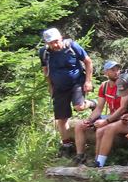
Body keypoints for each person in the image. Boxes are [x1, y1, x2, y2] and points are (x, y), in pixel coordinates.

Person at [39, 27, 93, 157]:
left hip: (76, 83)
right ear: (47, 43)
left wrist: (88, 81)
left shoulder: (72, 46)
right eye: (51, 43)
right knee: (61, 118)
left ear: (61, 38)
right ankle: (67, 145)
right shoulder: (44, 52)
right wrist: (50, 86)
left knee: (79, 107)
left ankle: (92, 103)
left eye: (56, 41)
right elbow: (45, 70)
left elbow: (88, 62)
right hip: (59, 87)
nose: (55, 45)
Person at [71, 60, 122, 165]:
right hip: (109, 116)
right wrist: (89, 120)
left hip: (120, 117)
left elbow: (123, 109)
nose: (116, 72)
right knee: (80, 125)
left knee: (100, 130)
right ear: (106, 72)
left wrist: (106, 121)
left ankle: (97, 161)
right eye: (113, 70)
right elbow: (99, 108)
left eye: (118, 70)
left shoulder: (123, 86)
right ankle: (80, 156)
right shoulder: (104, 86)